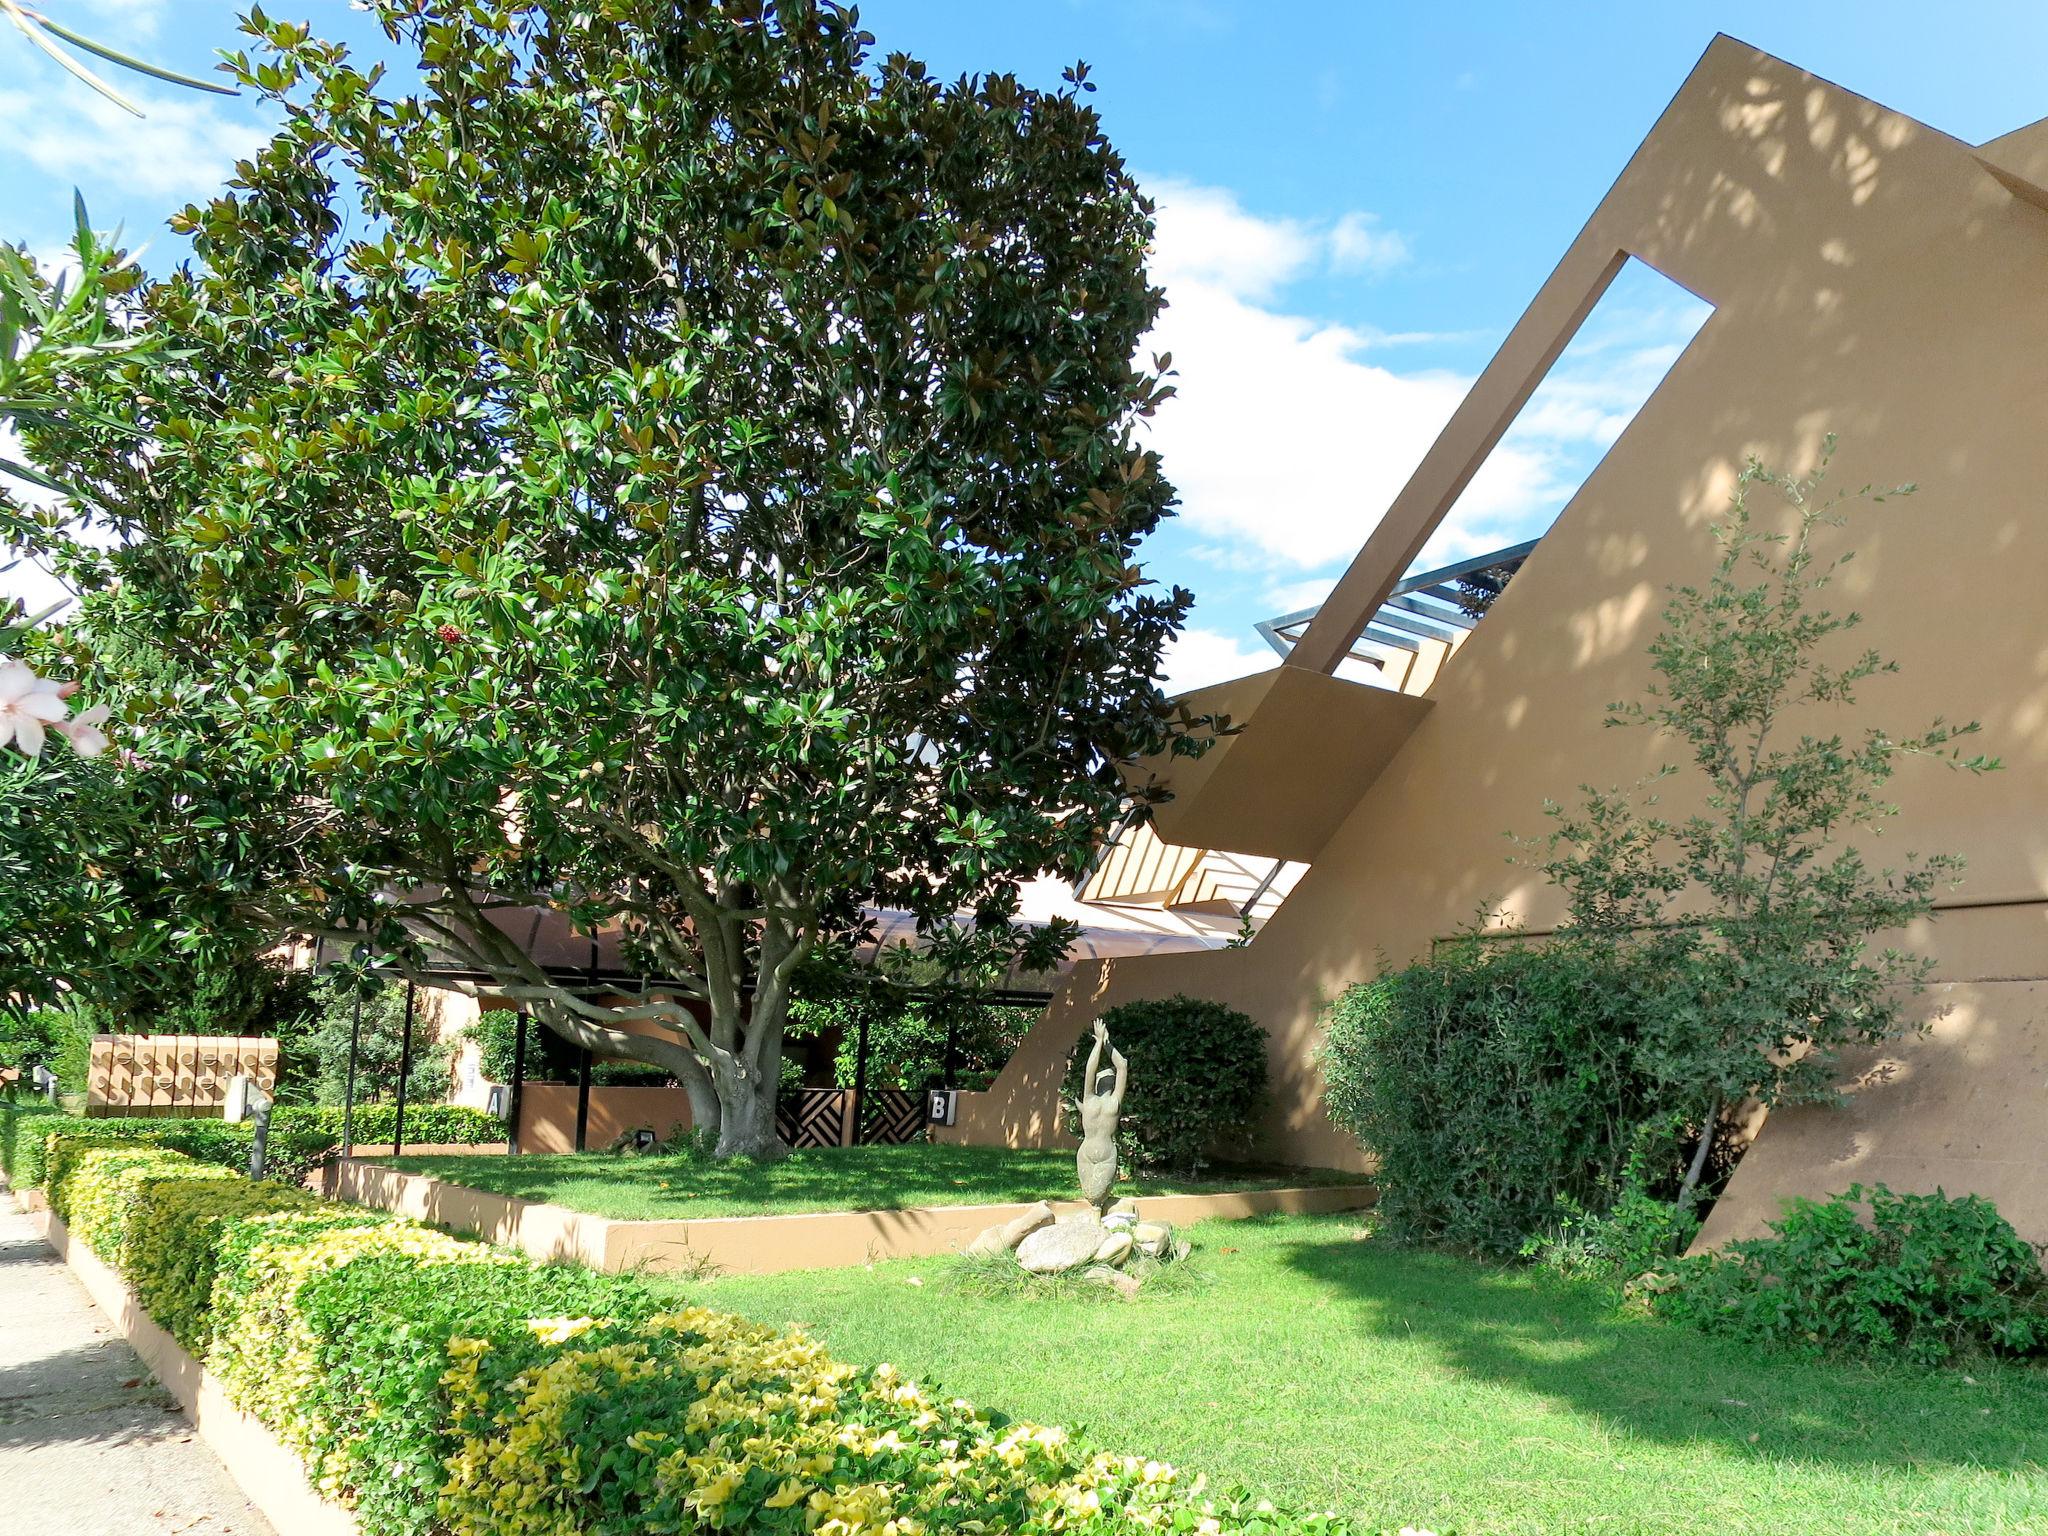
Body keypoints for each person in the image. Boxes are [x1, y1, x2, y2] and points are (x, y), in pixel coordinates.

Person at [1076, 1017, 1127, 1212]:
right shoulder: (1109, 1101)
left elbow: (1093, 1068)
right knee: (1092, 1197)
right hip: (1097, 1151)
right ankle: (1096, 1224)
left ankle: (1098, 1224)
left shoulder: (1091, 1100)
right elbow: (1121, 1066)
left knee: (1096, 1196)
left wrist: (1100, 1042)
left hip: (1093, 1151)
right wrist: (1103, 1042)